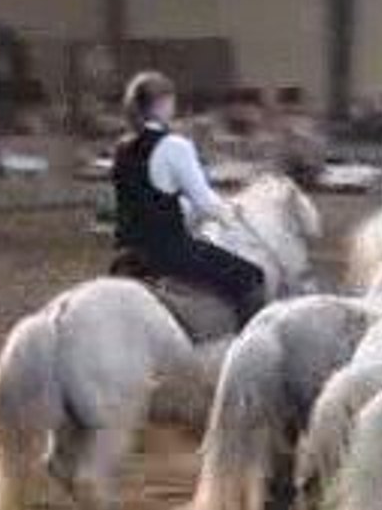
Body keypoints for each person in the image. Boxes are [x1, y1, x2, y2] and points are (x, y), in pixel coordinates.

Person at [111, 71, 266, 327]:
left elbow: (151, 197)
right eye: (172, 102)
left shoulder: (122, 147)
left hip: (128, 253)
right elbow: (205, 203)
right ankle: (245, 346)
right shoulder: (175, 145)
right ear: (163, 102)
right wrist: (233, 214)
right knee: (252, 277)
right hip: (168, 252)